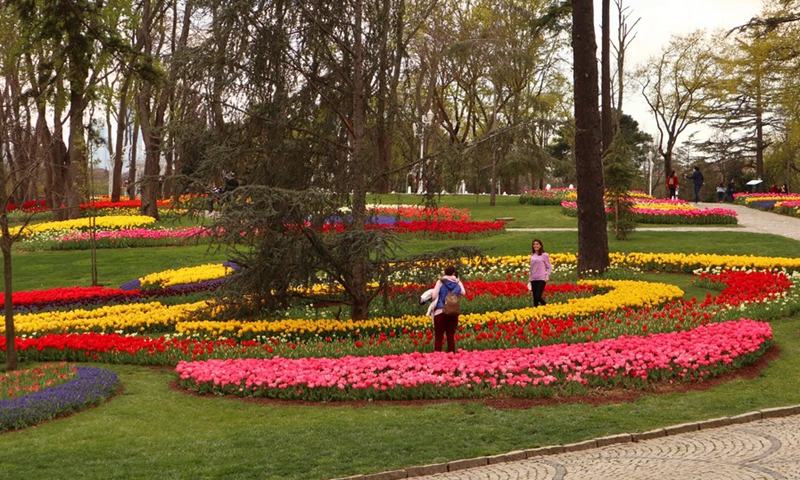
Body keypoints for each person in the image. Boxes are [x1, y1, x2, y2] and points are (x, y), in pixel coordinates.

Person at [430, 265, 465, 353]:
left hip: (440, 312)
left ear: (444, 273)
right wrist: (459, 281)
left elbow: (434, 296)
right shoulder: (457, 283)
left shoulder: (440, 281)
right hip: (453, 313)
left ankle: (437, 359)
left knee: (438, 337)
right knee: (450, 337)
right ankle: (451, 359)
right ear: (454, 273)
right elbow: (463, 293)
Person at [529, 238, 552, 307]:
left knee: (538, 296)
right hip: (533, 278)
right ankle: (536, 312)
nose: (535, 246)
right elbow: (532, 267)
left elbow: (549, 267)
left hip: (541, 278)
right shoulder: (532, 255)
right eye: (534, 244)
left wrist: (547, 276)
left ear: (540, 245)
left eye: (537, 244)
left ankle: (546, 307)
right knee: (534, 299)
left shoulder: (544, 255)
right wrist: (530, 277)